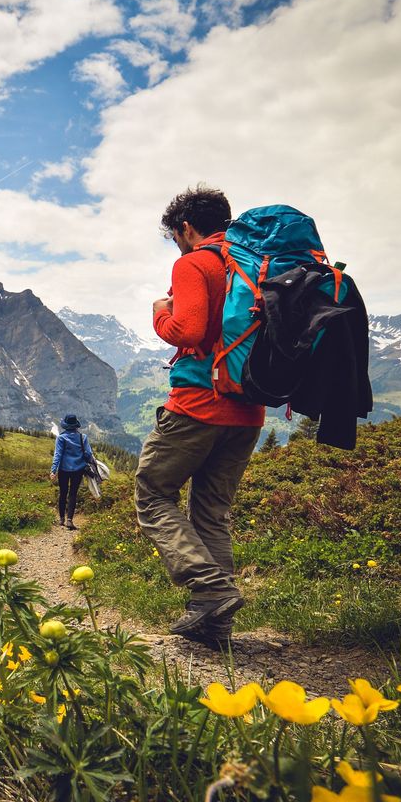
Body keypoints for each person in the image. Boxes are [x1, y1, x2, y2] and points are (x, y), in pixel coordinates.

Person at [136, 185, 265, 649]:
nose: (177, 244)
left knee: (152, 494)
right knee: (212, 514)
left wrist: (159, 316)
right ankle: (215, 626)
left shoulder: (195, 262)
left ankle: (209, 590)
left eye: (176, 237)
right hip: (248, 411)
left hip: (198, 404)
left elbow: (186, 330)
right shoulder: (255, 264)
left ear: (186, 228)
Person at [50, 413, 94, 530]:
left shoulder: (61, 438)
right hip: (78, 470)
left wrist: (53, 470)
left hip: (63, 470)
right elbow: (89, 454)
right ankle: (70, 519)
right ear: (76, 426)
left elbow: (57, 455)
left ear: (65, 425)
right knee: (73, 493)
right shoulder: (82, 437)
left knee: (63, 493)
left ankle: (61, 519)